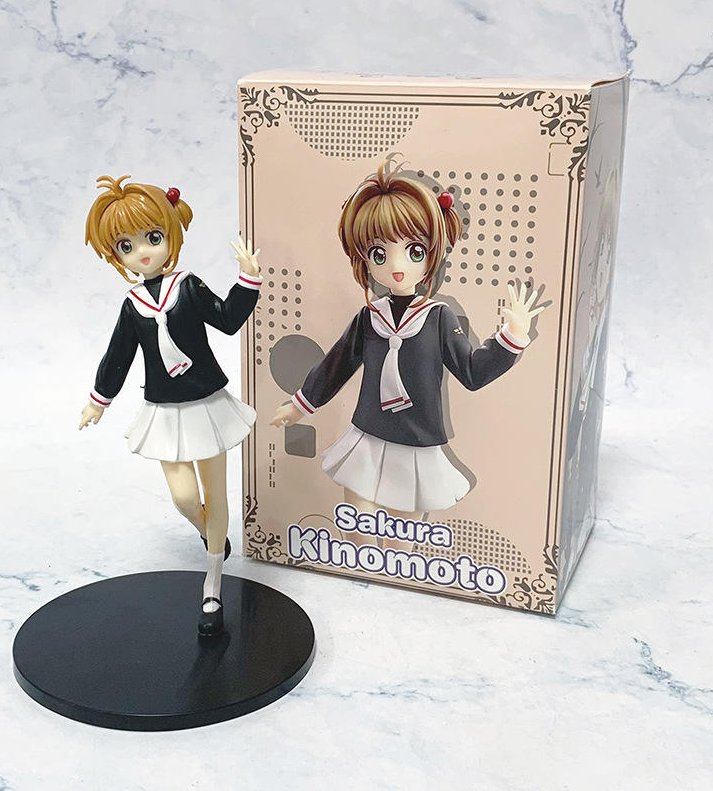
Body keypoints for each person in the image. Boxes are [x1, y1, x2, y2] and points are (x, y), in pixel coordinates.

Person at [271, 157, 546, 539]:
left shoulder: (438, 318)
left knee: (403, 538)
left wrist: (511, 338)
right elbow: (336, 364)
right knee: (358, 528)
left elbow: (472, 372)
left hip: (417, 441)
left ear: (431, 254)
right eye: (379, 254)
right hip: (368, 435)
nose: (396, 265)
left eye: (414, 251)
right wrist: (301, 405)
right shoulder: (370, 317)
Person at [80, 175, 262, 636]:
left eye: (153, 237)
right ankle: (208, 532)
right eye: (127, 245)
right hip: (165, 410)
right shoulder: (133, 304)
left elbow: (227, 320)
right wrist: (99, 400)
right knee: (184, 497)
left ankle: (213, 581)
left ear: (170, 234)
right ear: (116, 255)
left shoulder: (188, 286)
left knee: (216, 494)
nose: (143, 252)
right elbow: (119, 355)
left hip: (207, 404)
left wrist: (248, 278)